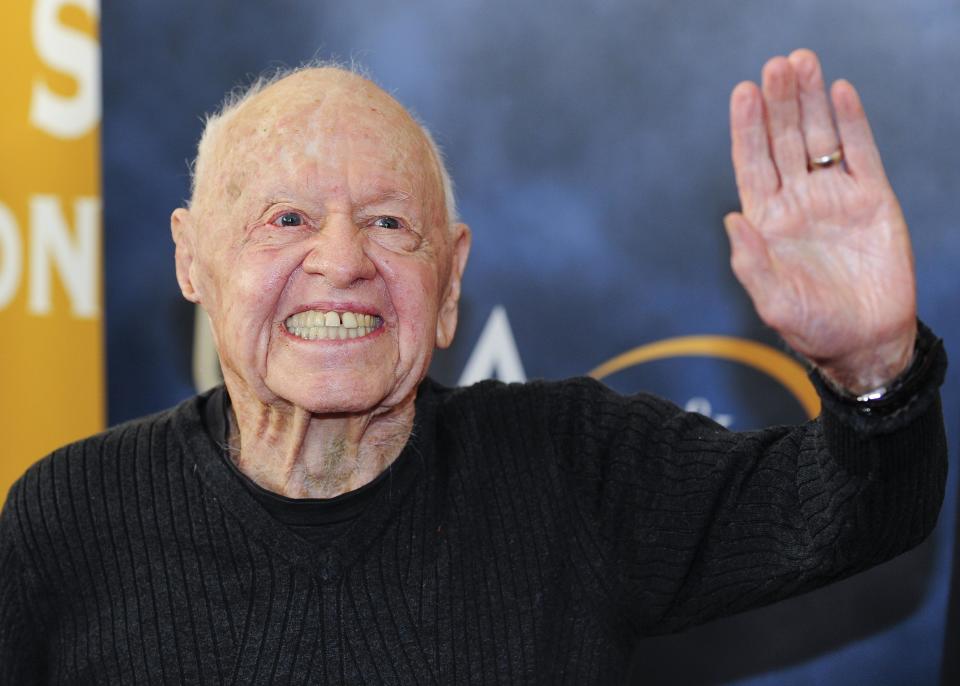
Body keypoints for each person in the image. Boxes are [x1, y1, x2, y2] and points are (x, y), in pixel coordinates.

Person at [0, 49, 946, 684]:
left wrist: (873, 367)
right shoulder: (68, 518)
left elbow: (851, 513)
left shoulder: (574, 469)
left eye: (389, 224)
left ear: (449, 283)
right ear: (191, 259)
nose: (341, 261)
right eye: (286, 219)